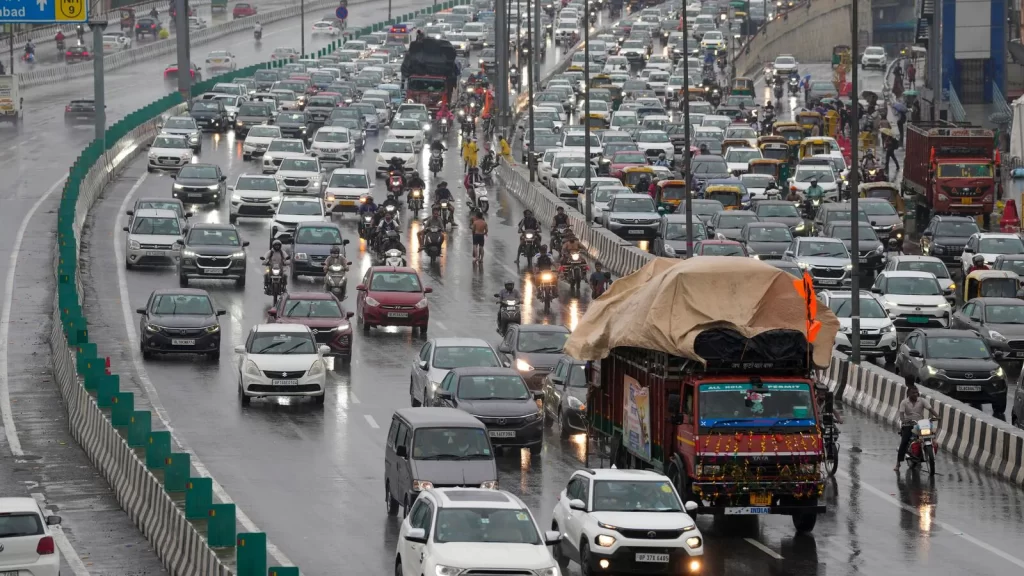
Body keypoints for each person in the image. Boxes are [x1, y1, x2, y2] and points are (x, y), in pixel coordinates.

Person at [895, 385, 937, 472]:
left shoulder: (921, 400)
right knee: (904, 442)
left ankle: (927, 453)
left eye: (916, 392)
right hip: (908, 424)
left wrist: (937, 416)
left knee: (931, 437)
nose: (915, 394)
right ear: (908, 394)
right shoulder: (904, 402)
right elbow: (901, 415)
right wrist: (904, 421)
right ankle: (898, 464)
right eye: (913, 393)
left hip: (920, 424)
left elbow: (930, 409)